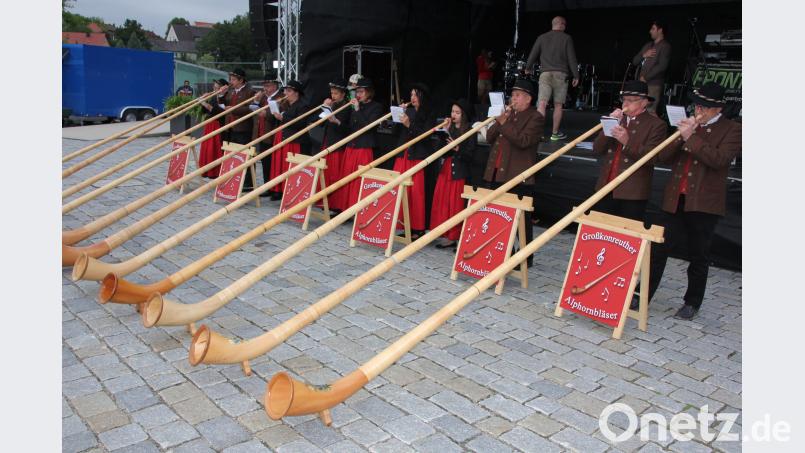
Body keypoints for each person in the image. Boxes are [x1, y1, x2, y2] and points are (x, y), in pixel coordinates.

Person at [638, 82, 741, 320]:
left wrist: (691, 137)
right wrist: (678, 136)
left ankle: (692, 302)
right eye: (698, 105)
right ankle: (641, 294)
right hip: (675, 198)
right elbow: (663, 157)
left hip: (704, 203)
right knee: (658, 248)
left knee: (699, 254)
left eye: (705, 107)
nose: (699, 111)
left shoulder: (732, 129)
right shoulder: (689, 125)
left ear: (718, 109)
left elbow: (718, 159)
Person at [482, 78, 544, 265]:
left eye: (517, 96)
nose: (513, 99)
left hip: (518, 174)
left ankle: (526, 256)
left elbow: (523, 140)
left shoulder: (535, 117)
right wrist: (499, 121)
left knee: (521, 219)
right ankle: (503, 251)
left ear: (528, 99)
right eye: (512, 95)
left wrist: (505, 122)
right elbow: (490, 138)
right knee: (499, 214)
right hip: (497, 171)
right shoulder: (509, 115)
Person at [592, 80, 667, 222]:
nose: (625, 104)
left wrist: (627, 142)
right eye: (624, 99)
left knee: (625, 237)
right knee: (601, 232)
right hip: (605, 187)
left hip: (632, 192)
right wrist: (608, 124)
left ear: (644, 102)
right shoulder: (618, 120)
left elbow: (653, 158)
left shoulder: (656, 125)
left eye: (631, 100)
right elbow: (597, 149)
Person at [430, 99, 476, 249]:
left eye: (457, 112)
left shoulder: (469, 130)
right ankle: (446, 234)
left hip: (460, 171)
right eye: (452, 111)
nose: (453, 115)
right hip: (447, 169)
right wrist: (446, 130)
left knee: (456, 205)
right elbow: (438, 150)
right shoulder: (451, 129)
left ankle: (455, 236)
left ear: (464, 114)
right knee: (444, 202)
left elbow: (470, 155)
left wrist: (458, 149)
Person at [525, 16, 579, 141]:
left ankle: (537, 134)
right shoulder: (567, 38)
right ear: (561, 24)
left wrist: (528, 67)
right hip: (561, 75)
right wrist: (576, 75)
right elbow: (571, 58)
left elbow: (533, 53)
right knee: (558, 105)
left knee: (542, 104)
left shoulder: (542, 37)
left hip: (545, 74)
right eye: (564, 24)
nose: (565, 27)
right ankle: (554, 134)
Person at [394, 83, 437, 239]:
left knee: (416, 193)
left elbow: (424, 136)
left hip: (417, 156)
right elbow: (395, 132)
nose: (412, 98)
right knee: (401, 190)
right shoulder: (409, 111)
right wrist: (398, 115)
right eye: (411, 95)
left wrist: (409, 124)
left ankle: (417, 228)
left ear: (422, 97)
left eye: (415, 95)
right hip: (404, 154)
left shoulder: (429, 114)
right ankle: (402, 223)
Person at [340, 77, 384, 209]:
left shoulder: (377, 107)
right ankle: (346, 208)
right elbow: (350, 128)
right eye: (357, 92)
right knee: (348, 178)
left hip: (364, 147)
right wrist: (337, 121)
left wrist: (358, 110)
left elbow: (369, 127)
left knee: (360, 180)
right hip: (351, 146)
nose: (358, 95)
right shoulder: (355, 107)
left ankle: (359, 208)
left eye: (361, 92)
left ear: (369, 92)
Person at [268, 80, 311, 200]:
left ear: (297, 93)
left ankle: (290, 189)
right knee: (280, 163)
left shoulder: (303, 105)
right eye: (285, 90)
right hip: (282, 136)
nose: (286, 93)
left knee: (289, 165)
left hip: (294, 139)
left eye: (289, 91)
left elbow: (301, 123)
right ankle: (279, 189)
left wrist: (282, 118)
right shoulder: (285, 103)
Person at [320, 78, 352, 212]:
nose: (333, 96)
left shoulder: (347, 106)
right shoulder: (331, 105)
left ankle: (334, 203)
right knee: (325, 174)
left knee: (334, 175)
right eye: (332, 93)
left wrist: (335, 121)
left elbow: (347, 129)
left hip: (338, 145)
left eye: (336, 94)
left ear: (343, 94)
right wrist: (324, 107)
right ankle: (325, 200)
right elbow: (321, 123)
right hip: (328, 142)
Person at [223, 68, 256, 190]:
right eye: (230, 79)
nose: (231, 81)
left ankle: (248, 182)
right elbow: (224, 104)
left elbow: (249, 108)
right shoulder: (231, 91)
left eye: (233, 79)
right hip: (231, 126)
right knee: (234, 155)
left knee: (245, 154)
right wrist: (221, 94)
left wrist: (233, 109)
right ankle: (235, 178)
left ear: (241, 80)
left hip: (243, 128)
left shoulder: (250, 91)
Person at [252, 77, 283, 196]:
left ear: (275, 85)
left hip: (273, 134)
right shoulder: (264, 97)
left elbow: (278, 113)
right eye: (264, 86)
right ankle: (267, 186)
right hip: (262, 133)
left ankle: (275, 189)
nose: (266, 88)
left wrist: (266, 114)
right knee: (265, 162)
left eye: (268, 86)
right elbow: (254, 108)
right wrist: (255, 102)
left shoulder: (280, 97)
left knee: (272, 162)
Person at [632, 20, 671, 113]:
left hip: (653, 84)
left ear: (660, 30)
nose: (650, 31)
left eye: (653, 29)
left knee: (650, 110)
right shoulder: (648, 45)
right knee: (639, 110)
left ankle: (654, 127)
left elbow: (662, 66)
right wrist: (643, 55)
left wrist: (646, 77)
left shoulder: (665, 46)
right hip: (641, 84)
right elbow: (634, 61)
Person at [197, 79, 228, 178]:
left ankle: (215, 171)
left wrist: (206, 104)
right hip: (210, 124)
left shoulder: (226, 97)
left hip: (219, 124)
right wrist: (203, 102)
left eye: (217, 88)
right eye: (214, 88)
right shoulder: (214, 96)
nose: (214, 90)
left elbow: (218, 111)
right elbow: (205, 111)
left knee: (215, 148)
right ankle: (207, 170)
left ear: (223, 88)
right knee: (208, 148)